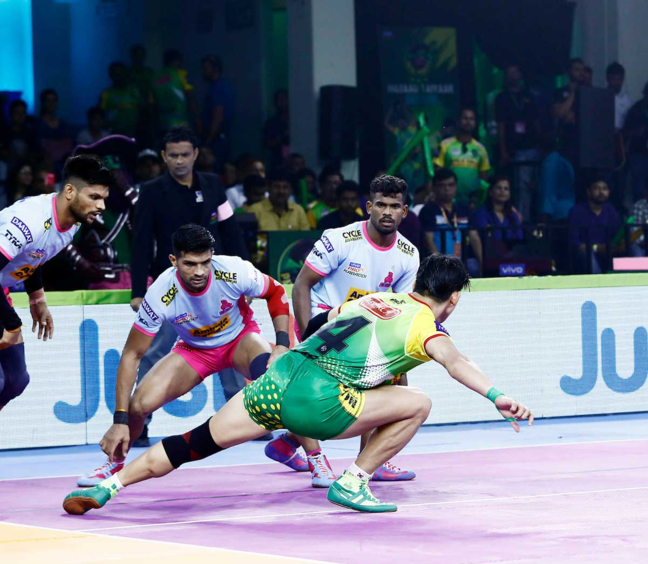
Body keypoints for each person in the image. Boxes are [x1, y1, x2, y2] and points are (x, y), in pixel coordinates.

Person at [62, 254, 533, 515]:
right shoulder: (426, 326)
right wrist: (497, 396)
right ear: (453, 298)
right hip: (321, 402)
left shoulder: (374, 299)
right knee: (418, 402)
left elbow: (322, 323)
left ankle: (111, 486)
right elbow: (455, 362)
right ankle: (354, 480)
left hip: (277, 380)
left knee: (194, 442)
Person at [75, 224, 318, 487]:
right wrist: (119, 420)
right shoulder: (160, 293)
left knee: (282, 384)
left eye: (205, 262)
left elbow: (275, 291)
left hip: (240, 339)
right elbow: (132, 355)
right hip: (194, 350)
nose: (200, 271)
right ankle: (114, 464)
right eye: (190, 264)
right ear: (174, 260)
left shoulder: (233, 270)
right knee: (138, 406)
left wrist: (281, 344)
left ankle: (315, 458)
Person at [0, 155, 111, 491]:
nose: (101, 206)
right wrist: (13, 323)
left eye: (104, 198)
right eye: (95, 197)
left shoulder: (71, 224)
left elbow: (33, 257)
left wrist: (37, 298)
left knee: (15, 380)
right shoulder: (29, 219)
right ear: (70, 191)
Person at [117, 126, 247, 460]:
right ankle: (141, 423)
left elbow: (230, 229)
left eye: (185, 154)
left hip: (216, 282)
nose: (179, 161)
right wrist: (138, 290)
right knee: (153, 353)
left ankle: (246, 419)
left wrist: (242, 275)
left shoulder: (213, 185)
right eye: (173, 155)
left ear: (196, 154)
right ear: (163, 157)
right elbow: (141, 240)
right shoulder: (151, 191)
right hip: (171, 288)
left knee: (231, 347)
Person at [280, 174, 420, 485]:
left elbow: (401, 309)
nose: (387, 211)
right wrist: (306, 336)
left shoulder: (409, 254)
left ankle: (371, 460)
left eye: (394, 206)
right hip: (319, 319)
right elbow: (301, 285)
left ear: (404, 211)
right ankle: (316, 461)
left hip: (359, 327)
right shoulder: (340, 239)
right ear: (368, 207)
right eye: (380, 205)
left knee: (393, 380)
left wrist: (395, 355)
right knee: (306, 391)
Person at [495, 65, 542, 219]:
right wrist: (503, 151)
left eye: (515, 72)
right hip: (513, 150)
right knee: (520, 190)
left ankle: (531, 221)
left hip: (532, 148)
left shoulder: (528, 95)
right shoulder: (502, 98)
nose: (513, 75)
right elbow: (500, 125)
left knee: (534, 187)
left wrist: (540, 144)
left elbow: (536, 121)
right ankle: (521, 222)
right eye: (509, 72)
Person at [434, 108, 491, 207]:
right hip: (448, 199)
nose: (468, 121)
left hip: (472, 201)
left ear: (475, 123)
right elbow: (437, 171)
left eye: (471, 119)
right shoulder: (445, 145)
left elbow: (483, 177)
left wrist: (478, 197)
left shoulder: (481, 149)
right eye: (465, 118)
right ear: (458, 121)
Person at [468, 175, 524, 273]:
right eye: (499, 188)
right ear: (490, 192)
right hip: (487, 258)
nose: (502, 191)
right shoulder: (481, 213)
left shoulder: (513, 215)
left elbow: (519, 239)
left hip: (511, 258)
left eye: (506, 189)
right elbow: (483, 240)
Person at [568, 176, 621, 274]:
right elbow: (574, 242)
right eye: (597, 188)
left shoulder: (611, 211)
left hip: (608, 253)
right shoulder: (576, 211)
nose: (601, 192)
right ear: (588, 192)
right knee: (588, 254)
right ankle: (599, 283)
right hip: (584, 255)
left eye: (604, 188)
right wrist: (596, 248)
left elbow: (617, 235)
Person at [419, 169, 469, 262]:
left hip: (462, 263)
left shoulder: (463, 209)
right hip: (438, 265)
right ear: (434, 188)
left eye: (451, 185)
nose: (447, 189)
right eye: (442, 185)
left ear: (456, 186)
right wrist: (441, 265)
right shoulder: (428, 210)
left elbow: (474, 237)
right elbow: (428, 241)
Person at [243, 169, 310, 231]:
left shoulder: (298, 211)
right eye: (276, 187)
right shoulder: (254, 210)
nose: (281, 191)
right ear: (268, 188)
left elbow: (306, 237)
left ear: (291, 190)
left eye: (285, 187)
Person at [199, 55, 234, 168]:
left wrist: (208, 141)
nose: (203, 71)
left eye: (206, 68)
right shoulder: (215, 87)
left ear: (215, 68)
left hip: (217, 140)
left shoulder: (218, 88)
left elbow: (218, 116)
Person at [153, 49, 194, 132]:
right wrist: (196, 118)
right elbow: (190, 97)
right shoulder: (181, 74)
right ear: (175, 61)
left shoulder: (155, 78)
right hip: (180, 121)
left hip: (163, 122)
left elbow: (152, 104)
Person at [99, 63, 141, 139]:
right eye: (117, 74)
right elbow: (100, 116)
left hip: (136, 133)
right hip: (115, 133)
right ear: (111, 75)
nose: (120, 77)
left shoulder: (136, 90)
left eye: (122, 73)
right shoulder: (106, 94)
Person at [262, 90, 290, 168]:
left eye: (285, 99)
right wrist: (281, 138)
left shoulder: (297, 121)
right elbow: (266, 143)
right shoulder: (271, 123)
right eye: (280, 99)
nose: (283, 102)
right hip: (279, 162)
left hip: (297, 159)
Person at [606, 62, 632, 132]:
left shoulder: (627, 101)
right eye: (613, 79)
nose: (617, 83)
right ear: (607, 79)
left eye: (619, 79)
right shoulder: (600, 98)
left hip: (620, 136)